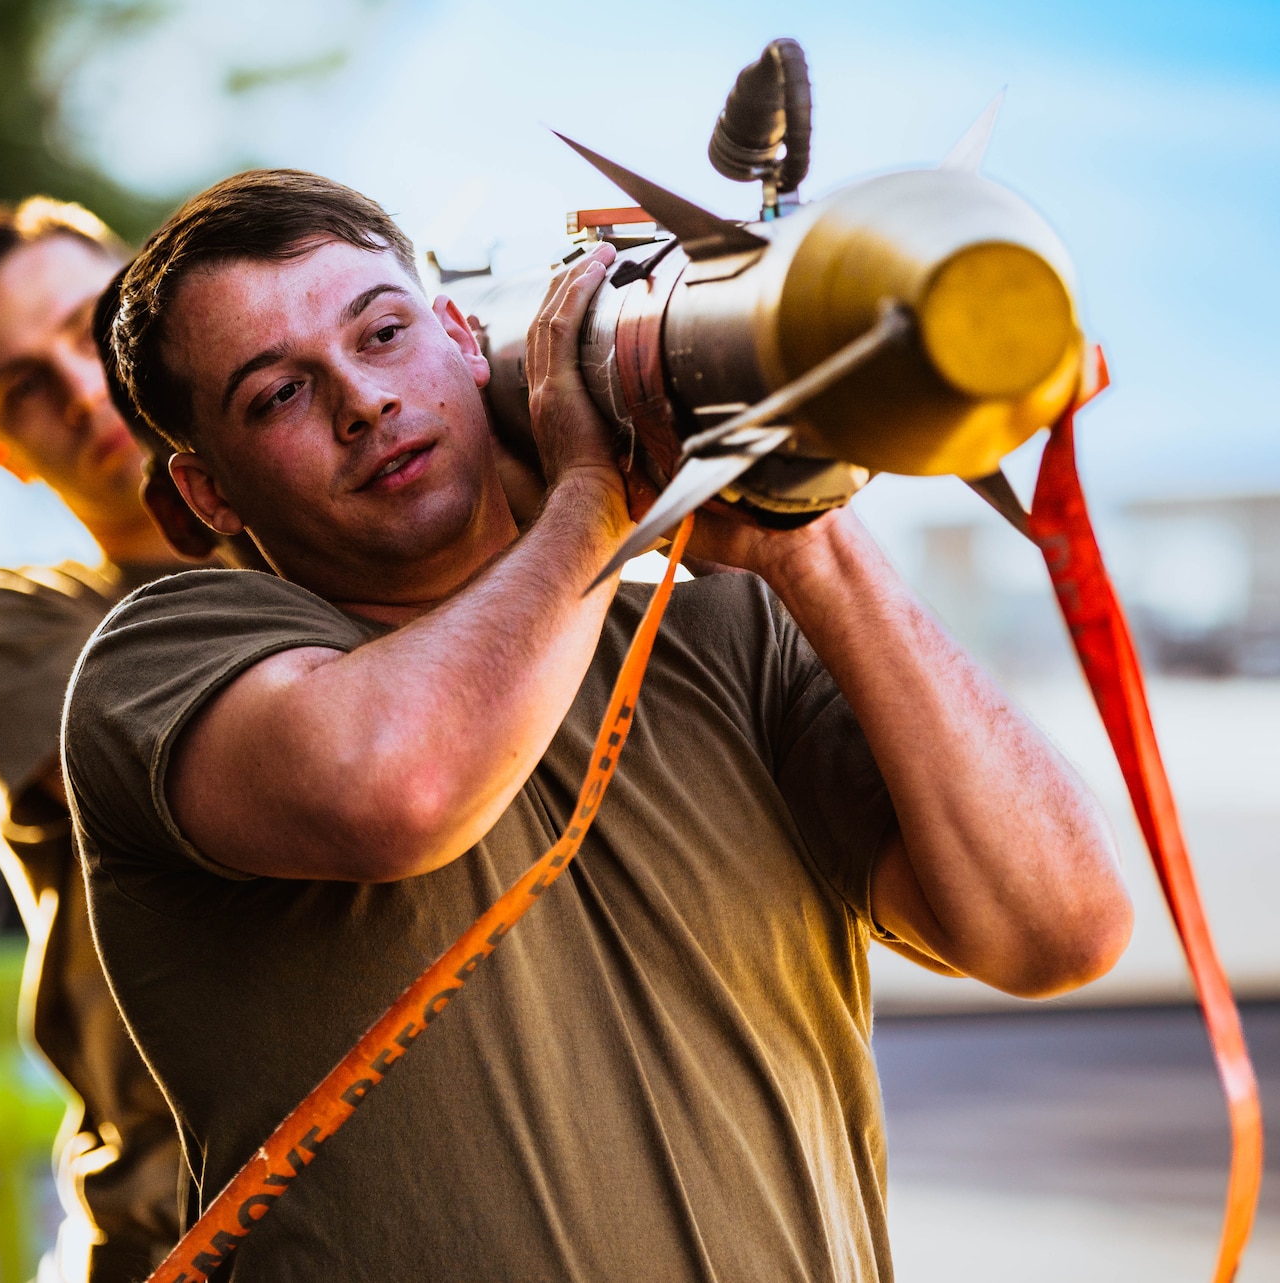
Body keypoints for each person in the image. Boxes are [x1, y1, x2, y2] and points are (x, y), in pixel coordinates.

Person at [62, 170, 1132, 1280]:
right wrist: (592, 491)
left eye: (380, 333)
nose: (361, 400)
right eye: (277, 394)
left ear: (457, 335)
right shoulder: (173, 654)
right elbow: (402, 788)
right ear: (207, 492)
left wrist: (802, 536)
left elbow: (1055, 928)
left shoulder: (720, 614)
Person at [0, 197, 187, 1283]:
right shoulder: (10, 630)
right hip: (182, 1237)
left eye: (91, 325)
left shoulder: (363, 546)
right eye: (24, 385)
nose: (81, 389)